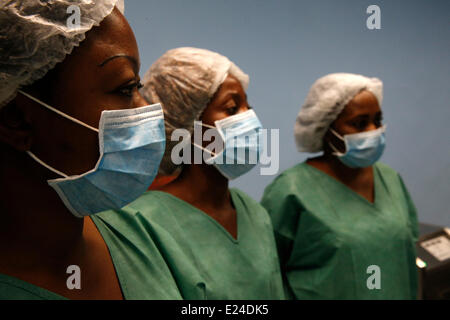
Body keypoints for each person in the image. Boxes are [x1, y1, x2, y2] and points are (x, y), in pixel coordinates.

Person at [0, 1, 181, 300]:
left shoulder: (138, 237)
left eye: (139, 86)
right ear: (16, 120)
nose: (147, 108)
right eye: (125, 88)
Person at [127, 47, 285, 299]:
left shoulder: (255, 215)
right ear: (184, 122)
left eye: (248, 107)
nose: (249, 119)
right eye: (232, 109)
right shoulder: (143, 222)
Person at [261, 73, 419, 300]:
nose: (373, 130)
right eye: (359, 123)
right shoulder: (291, 191)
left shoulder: (390, 179)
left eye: (377, 119)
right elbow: (267, 274)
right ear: (326, 126)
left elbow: (406, 253)